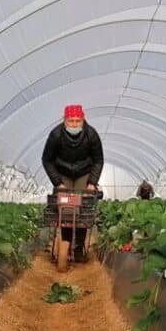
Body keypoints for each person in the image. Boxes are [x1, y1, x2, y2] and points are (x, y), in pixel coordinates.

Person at [42, 104, 103, 260]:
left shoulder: (91, 134)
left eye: (77, 121)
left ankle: (78, 248)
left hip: (84, 172)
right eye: (71, 121)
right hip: (63, 173)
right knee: (66, 207)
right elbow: (47, 160)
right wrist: (58, 183)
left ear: (83, 119)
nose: (74, 124)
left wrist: (92, 182)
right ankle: (66, 243)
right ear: (65, 120)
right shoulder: (56, 135)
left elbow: (98, 160)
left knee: (83, 206)